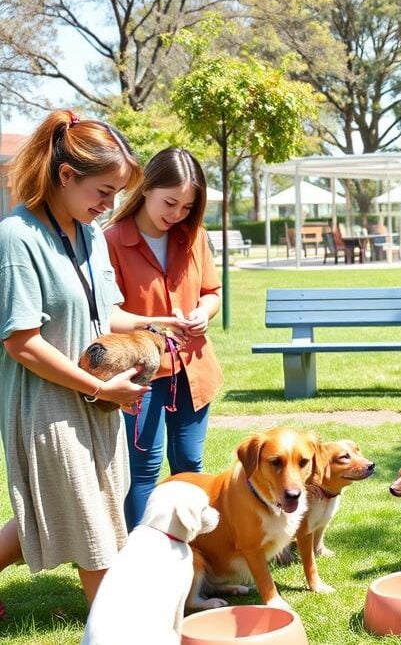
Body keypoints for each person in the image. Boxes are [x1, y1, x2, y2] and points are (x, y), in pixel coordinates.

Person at [0, 110, 154, 609]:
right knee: (92, 524)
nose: (110, 206)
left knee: (81, 506)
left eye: (117, 194)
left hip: (96, 399)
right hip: (48, 405)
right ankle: (118, 628)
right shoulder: (17, 238)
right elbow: (21, 342)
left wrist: (158, 323)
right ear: (66, 176)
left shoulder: (88, 234)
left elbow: (103, 312)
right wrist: (99, 388)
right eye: (103, 192)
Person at [105, 148, 224, 530]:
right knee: (143, 472)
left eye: (187, 207)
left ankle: (199, 558)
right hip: (142, 373)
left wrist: (203, 313)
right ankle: (140, 558)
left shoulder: (195, 237)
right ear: (144, 189)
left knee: (191, 465)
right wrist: (153, 322)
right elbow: (108, 313)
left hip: (193, 370)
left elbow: (212, 292)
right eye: (170, 202)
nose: (176, 215)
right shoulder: (109, 240)